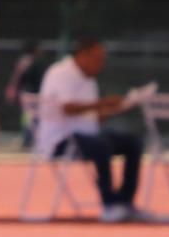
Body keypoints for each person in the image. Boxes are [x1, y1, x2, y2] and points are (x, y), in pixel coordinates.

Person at [34, 37, 143, 222]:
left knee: (132, 142)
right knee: (101, 146)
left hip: (87, 136)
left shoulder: (89, 80)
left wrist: (114, 108)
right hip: (61, 140)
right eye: (97, 58)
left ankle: (124, 202)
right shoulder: (61, 73)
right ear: (83, 55)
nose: (101, 64)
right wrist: (101, 103)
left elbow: (92, 117)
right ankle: (109, 204)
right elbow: (67, 108)